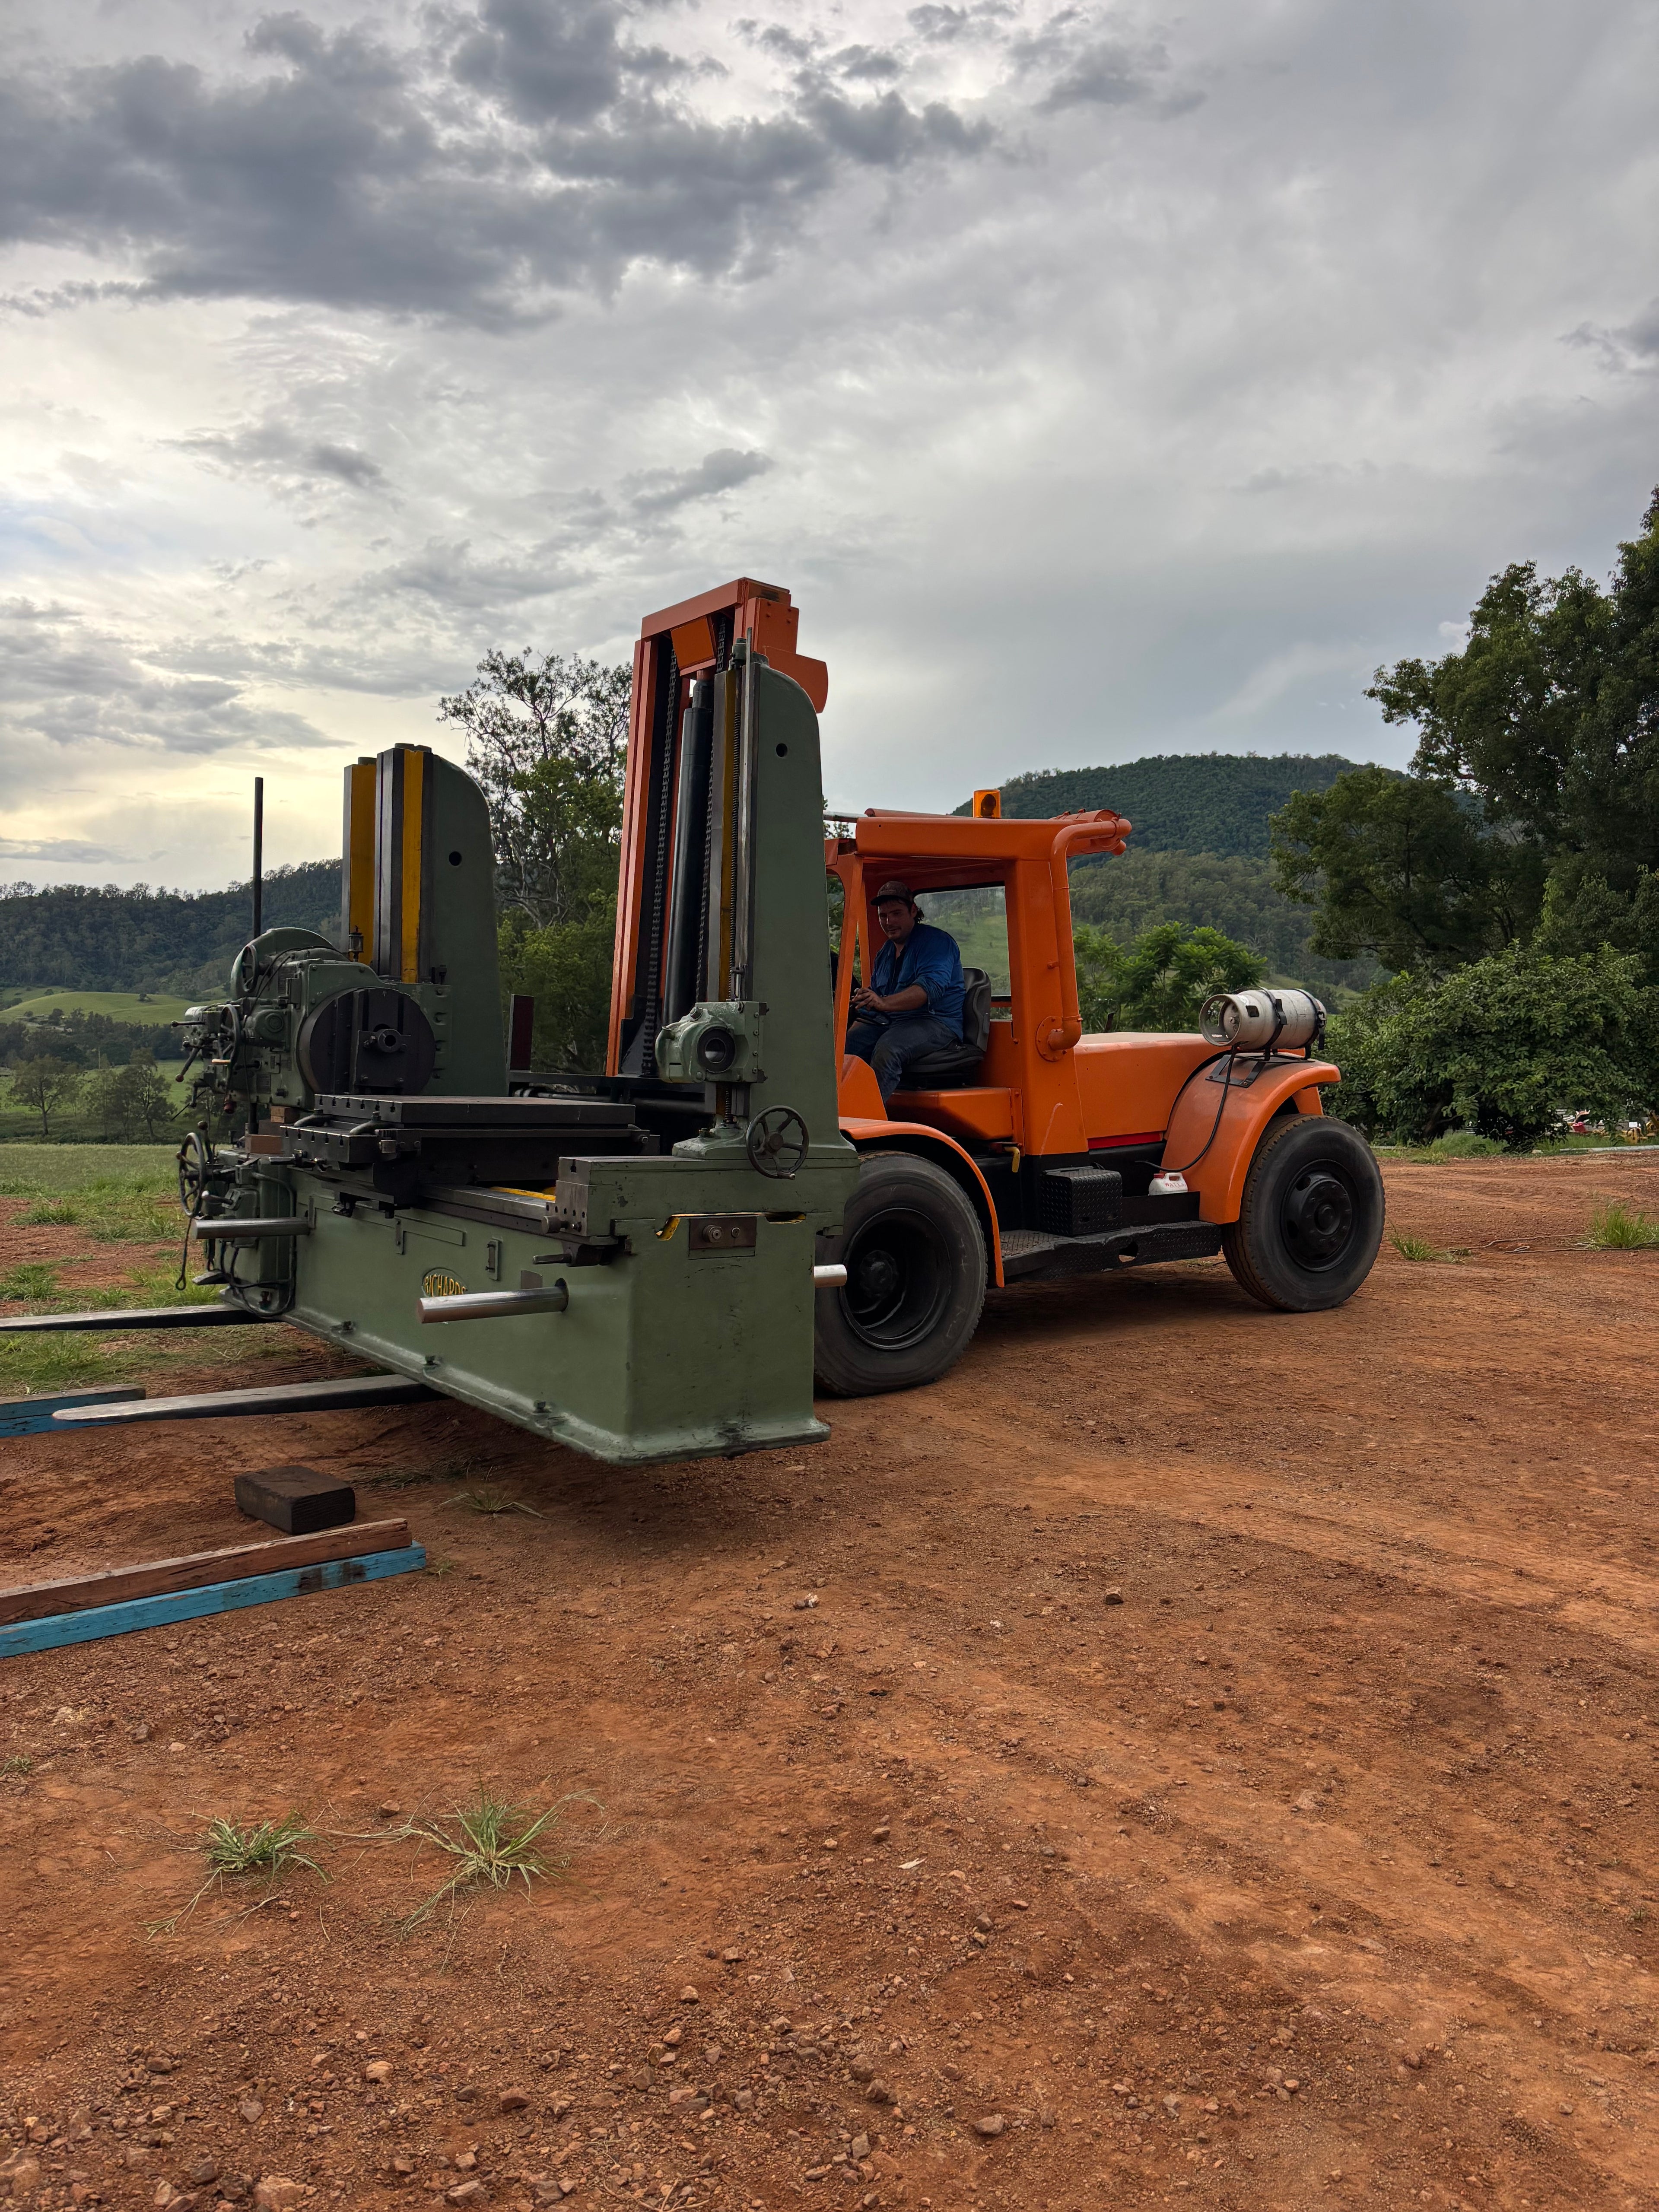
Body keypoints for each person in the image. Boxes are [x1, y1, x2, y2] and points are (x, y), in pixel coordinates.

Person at [845, 880, 965, 1103]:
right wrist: (864, 1002)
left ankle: (869, 1118)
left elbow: (928, 990)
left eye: (897, 913)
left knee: (888, 1049)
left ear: (913, 911)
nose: (889, 922)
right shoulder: (886, 952)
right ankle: (838, 1111)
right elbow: (880, 992)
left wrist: (882, 1003)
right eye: (883, 916)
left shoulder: (936, 943)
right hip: (894, 1021)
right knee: (846, 1045)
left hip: (935, 1022)